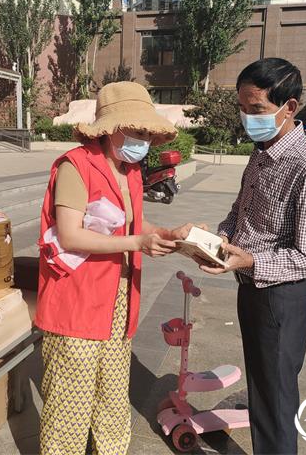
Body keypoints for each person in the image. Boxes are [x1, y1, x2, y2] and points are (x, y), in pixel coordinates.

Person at [36, 82, 198, 454]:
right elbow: (71, 235)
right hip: (76, 302)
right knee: (69, 406)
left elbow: (132, 226)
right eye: (136, 131)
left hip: (118, 300)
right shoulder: (75, 167)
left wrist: (170, 235)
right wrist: (135, 243)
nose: (142, 140)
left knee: (112, 395)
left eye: (147, 133)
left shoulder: (131, 172)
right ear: (110, 128)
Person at [199, 58, 306, 454]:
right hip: (252, 290)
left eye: (256, 109)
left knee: (276, 397)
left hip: (281, 297)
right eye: (242, 109)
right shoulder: (263, 152)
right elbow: (240, 210)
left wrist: (249, 262)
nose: (247, 118)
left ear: (289, 107)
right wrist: (219, 239)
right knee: (263, 389)